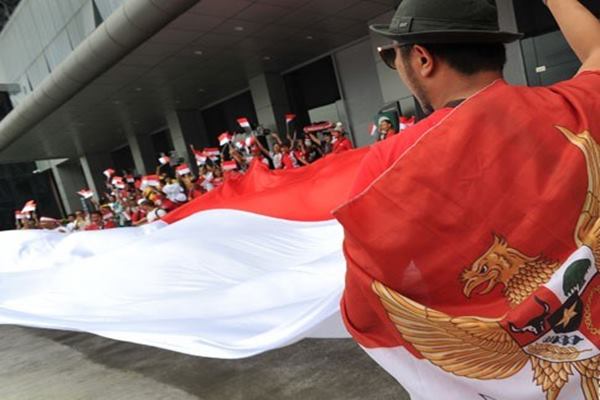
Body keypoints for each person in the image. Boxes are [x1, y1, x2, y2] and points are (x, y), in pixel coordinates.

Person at [335, 0, 600, 396]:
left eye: (395, 58)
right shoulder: (574, 109)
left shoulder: (390, 165)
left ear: (422, 58)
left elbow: (369, 301)